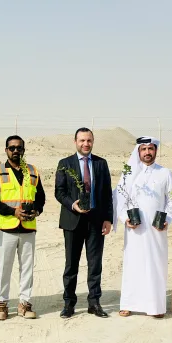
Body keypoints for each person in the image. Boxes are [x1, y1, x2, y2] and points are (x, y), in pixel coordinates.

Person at [115, 136, 172, 318]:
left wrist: (168, 219)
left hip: (157, 229)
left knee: (155, 265)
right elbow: (119, 198)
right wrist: (124, 218)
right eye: (143, 149)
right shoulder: (129, 173)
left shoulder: (165, 173)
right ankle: (128, 304)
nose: (147, 152)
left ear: (156, 151)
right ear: (138, 152)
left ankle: (155, 307)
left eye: (151, 149)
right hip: (134, 229)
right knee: (133, 264)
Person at [55, 127, 113, 319]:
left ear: (93, 142)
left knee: (95, 264)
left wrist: (108, 218)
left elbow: (107, 193)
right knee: (71, 265)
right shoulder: (65, 164)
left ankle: (94, 303)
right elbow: (59, 192)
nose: (85, 144)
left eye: (89, 140)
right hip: (73, 221)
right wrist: (73, 205)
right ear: (75, 142)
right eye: (82, 140)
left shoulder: (101, 163)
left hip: (96, 221)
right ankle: (69, 303)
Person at [0, 135, 45, 321]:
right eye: (12, 148)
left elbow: (41, 197)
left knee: (27, 268)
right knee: (4, 268)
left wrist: (36, 211)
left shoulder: (33, 171)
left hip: (28, 227)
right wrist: (13, 212)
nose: (16, 151)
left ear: (24, 150)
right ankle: (2, 304)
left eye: (19, 148)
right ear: (6, 150)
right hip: (6, 228)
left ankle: (24, 303)